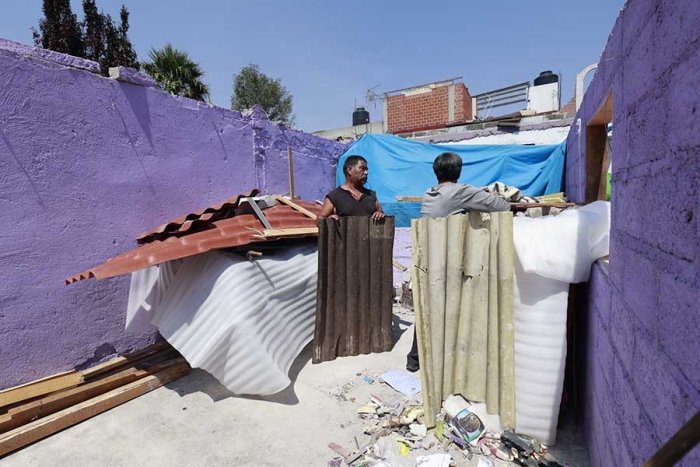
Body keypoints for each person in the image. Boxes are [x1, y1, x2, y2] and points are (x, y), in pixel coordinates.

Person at [406, 152, 511, 373]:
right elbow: (501, 207)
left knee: (427, 307)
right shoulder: (461, 191)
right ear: (459, 171)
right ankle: (449, 359)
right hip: (446, 259)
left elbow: (454, 202)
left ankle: (414, 359)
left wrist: (474, 195)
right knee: (453, 307)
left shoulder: (430, 192)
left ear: (436, 172)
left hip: (427, 256)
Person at [319, 155, 385, 220]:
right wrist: (328, 219)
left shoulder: (371, 195)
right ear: (349, 170)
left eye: (366, 169)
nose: (366, 172)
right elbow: (320, 219)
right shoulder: (334, 196)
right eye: (362, 168)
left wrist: (379, 213)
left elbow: (381, 212)